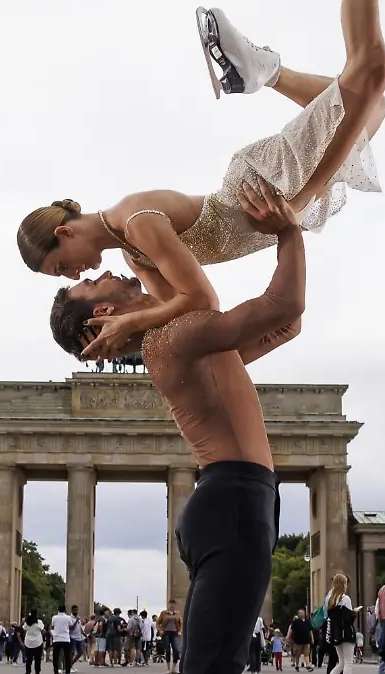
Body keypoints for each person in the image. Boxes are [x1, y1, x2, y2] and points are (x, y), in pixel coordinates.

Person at [22, 0, 385, 361]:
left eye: (61, 268)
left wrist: (304, 199)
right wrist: (127, 339)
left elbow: (203, 300)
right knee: (373, 103)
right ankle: (266, 71)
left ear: (64, 234)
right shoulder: (133, 256)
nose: (72, 274)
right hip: (272, 203)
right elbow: (186, 319)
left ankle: (263, 71)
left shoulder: (137, 222)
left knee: (372, 69)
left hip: (264, 188)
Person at [46, 182, 304, 674]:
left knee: (213, 661)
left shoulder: (171, 343)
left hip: (234, 502)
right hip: (234, 505)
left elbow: (285, 324)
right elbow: (285, 307)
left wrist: (147, 253)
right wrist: (288, 233)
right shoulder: (173, 339)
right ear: (102, 313)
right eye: (92, 282)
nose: (103, 271)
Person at [323, 574, 356, 674]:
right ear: (343, 584)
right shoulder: (345, 599)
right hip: (346, 632)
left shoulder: (330, 599)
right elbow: (348, 618)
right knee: (348, 662)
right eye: (345, 583)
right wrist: (354, 613)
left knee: (341, 662)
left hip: (336, 633)